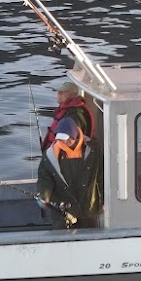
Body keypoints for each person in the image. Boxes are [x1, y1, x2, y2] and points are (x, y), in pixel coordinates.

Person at [37, 81, 101, 225]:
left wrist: (102, 201)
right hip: (63, 208)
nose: (58, 95)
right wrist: (44, 195)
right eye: (60, 139)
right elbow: (44, 177)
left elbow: (100, 176)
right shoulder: (51, 156)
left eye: (62, 92)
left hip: (87, 208)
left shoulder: (93, 152)